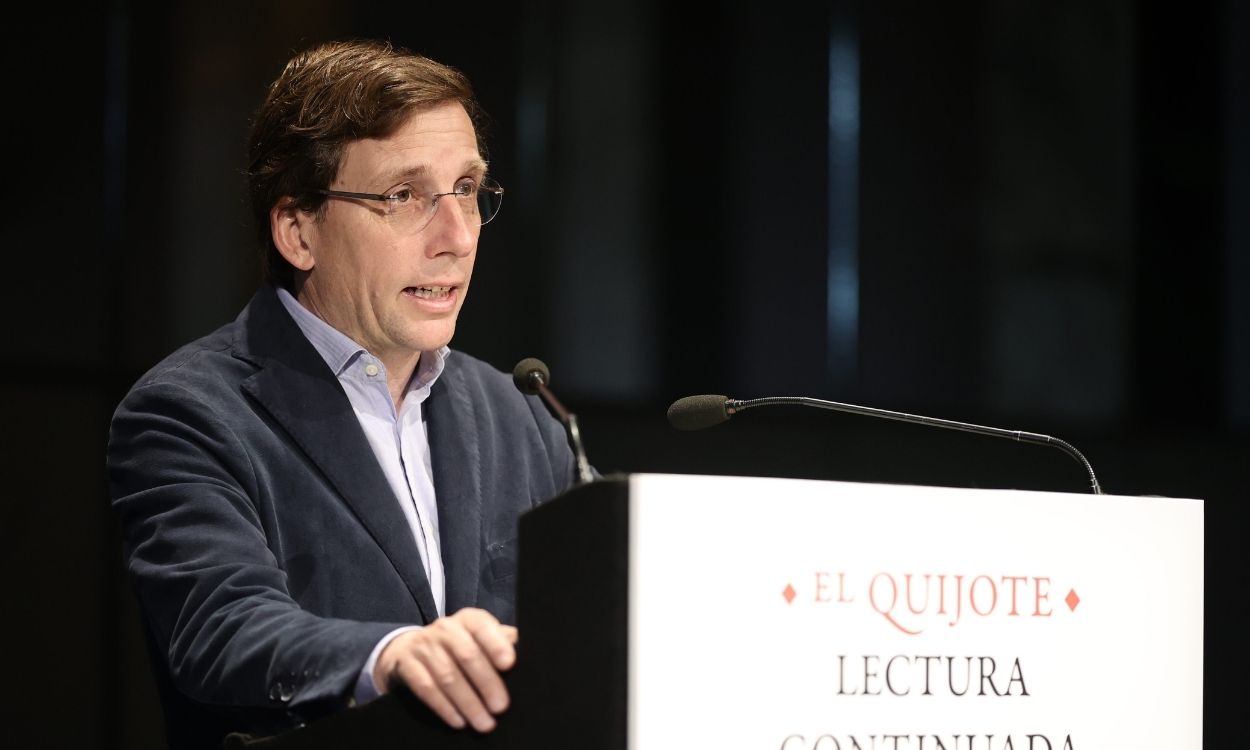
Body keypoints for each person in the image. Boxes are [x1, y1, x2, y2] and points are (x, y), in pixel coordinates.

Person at [107, 39, 577, 749]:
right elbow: (222, 627)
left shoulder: (522, 412)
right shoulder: (188, 414)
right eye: (404, 196)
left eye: (467, 190)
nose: (456, 236)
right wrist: (389, 656)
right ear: (298, 229)